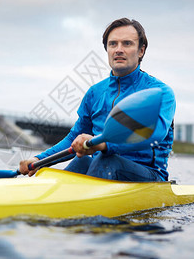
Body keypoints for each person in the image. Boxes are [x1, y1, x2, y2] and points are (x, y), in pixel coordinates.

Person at [19, 18, 176, 182]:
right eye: (113, 44)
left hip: (148, 175)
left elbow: (155, 135)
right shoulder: (95, 93)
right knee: (82, 160)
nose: (118, 50)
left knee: (105, 159)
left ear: (141, 51)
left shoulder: (160, 93)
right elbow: (75, 138)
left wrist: (105, 146)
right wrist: (39, 160)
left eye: (127, 44)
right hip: (100, 169)